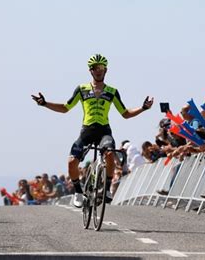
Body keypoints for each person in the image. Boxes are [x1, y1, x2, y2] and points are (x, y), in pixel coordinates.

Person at [32, 54, 153, 208]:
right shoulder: (81, 89)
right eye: (95, 68)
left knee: (109, 154)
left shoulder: (112, 91)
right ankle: (78, 191)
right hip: (86, 132)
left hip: (104, 131)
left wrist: (143, 108)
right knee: (71, 162)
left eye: (101, 68)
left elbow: (125, 114)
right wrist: (44, 103)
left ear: (106, 70)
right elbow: (65, 108)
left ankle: (107, 188)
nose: (98, 71)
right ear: (90, 71)